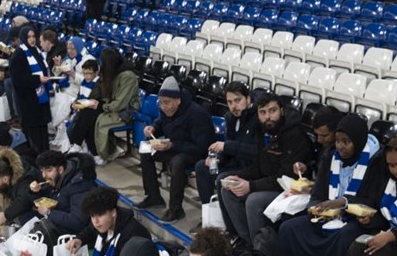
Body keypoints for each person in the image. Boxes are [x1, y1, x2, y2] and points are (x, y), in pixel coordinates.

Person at [276, 114, 381, 256]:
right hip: (327, 214)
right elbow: (318, 191)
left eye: (346, 141)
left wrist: (343, 202)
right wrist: (316, 206)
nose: (340, 146)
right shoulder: (331, 155)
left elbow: (373, 199)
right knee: (289, 228)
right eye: (338, 141)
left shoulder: (375, 161)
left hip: (355, 218)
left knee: (343, 238)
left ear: (358, 140)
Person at [219, 92, 313, 250]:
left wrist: (251, 185)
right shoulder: (264, 131)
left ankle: (261, 250)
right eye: (263, 112)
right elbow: (259, 166)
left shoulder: (294, 135)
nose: (268, 116)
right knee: (227, 188)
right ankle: (246, 242)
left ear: (281, 111)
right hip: (271, 182)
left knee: (254, 200)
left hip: (291, 189)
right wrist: (240, 177)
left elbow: (286, 176)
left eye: (272, 111)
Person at [139, 76, 214, 221]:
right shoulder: (166, 109)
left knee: (178, 162)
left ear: (178, 100)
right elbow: (161, 122)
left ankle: (175, 209)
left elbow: (201, 146)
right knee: (146, 151)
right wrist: (153, 128)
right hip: (174, 147)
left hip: (195, 152)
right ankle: (153, 196)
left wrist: (173, 145)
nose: (163, 107)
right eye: (160, 103)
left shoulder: (197, 114)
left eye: (167, 103)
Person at [68, 46, 139, 163]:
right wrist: (94, 102)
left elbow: (120, 103)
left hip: (124, 112)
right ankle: (87, 148)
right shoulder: (112, 73)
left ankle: (90, 149)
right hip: (110, 106)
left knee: (94, 118)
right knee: (87, 111)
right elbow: (105, 94)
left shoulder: (128, 77)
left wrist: (100, 106)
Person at [196, 82, 258, 204]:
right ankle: (210, 214)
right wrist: (218, 158)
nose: (234, 106)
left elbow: (255, 151)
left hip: (251, 168)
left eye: (237, 100)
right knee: (202, 167)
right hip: (235, 163)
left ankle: (224, 218)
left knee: (222, 179)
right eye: (230, 102)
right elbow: (228, 147)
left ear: (248, 99)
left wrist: (226, 146)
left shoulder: (257, 118)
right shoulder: (230, 117)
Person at [8, 25, 52, 155]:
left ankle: (44, 158)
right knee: (33, 137)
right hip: (28, 102)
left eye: (34, 36)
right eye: (29, 37)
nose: (32, 39)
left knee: (42, 134)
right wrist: (37, 80)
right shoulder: (19, 54)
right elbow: (18, 79)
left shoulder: (36, 51)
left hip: (39, 100)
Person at [33, 149, 97, 236]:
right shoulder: (57, 179)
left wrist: (49, 213)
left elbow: (77, 222)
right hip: (59, 223)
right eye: (42, 170)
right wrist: (35, 191)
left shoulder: (79, 186)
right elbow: (49, 196)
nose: (44, 175)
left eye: (48, 170)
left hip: (76, 235)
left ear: (60, 170)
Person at [0, 148, 40, 228]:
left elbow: (23, 200)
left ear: (5, 179)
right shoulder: (4, 169)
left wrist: (5, 215)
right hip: (18, 197)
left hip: (36, 209)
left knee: (22, 216)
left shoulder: (25, 178)